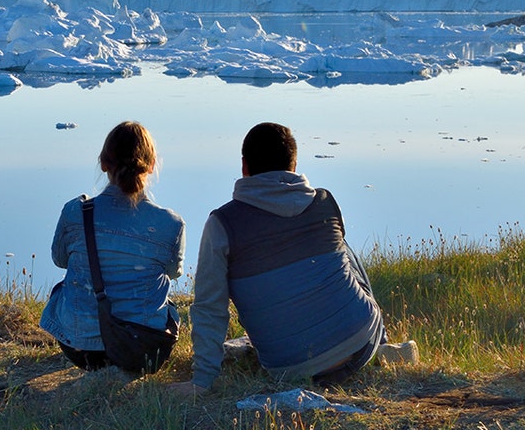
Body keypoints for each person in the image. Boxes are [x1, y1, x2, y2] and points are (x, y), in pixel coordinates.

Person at [172, 122, 412, 394]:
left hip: (289, 366)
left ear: (244, 167)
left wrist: (202, 380)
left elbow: (210, 306)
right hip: (360, 342)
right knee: (342, 252)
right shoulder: (324, 202)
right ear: (294, 166)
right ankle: (383, 343)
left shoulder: (223, 223)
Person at [39, 121, 186, 373]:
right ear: (150, 167)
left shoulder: (76, 212)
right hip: (143, 350)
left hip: (81, 348)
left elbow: (60, 259)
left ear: (103, 163)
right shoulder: (171, 224)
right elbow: (174, 272)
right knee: (167, 301)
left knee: (60, 289)